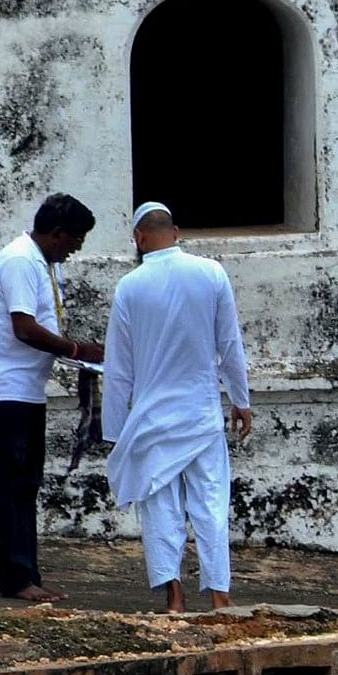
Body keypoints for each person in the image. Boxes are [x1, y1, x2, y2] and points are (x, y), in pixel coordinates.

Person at [101, 202, 254, 612]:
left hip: (152, 421)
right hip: (201, 416)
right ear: (177, 232)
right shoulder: (211, 274)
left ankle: (174, 596)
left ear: (139, 238)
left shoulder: (129, 287)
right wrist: (241, 400)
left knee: (160, 510)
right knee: (210, 505)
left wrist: (114, 433)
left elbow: (118, 368)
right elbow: (230, 345)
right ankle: (220, 595)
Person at [0, 194, 103, 603]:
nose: (76, 249)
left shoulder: (38, 260)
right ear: (56, 233)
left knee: (25, 484)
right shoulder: (22, 261)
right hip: (2, 389)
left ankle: (27, 574)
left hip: (21, 388)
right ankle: (17, 579)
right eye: (75, 240)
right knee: (11, 485)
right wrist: (76, 350)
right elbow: (24, 328)